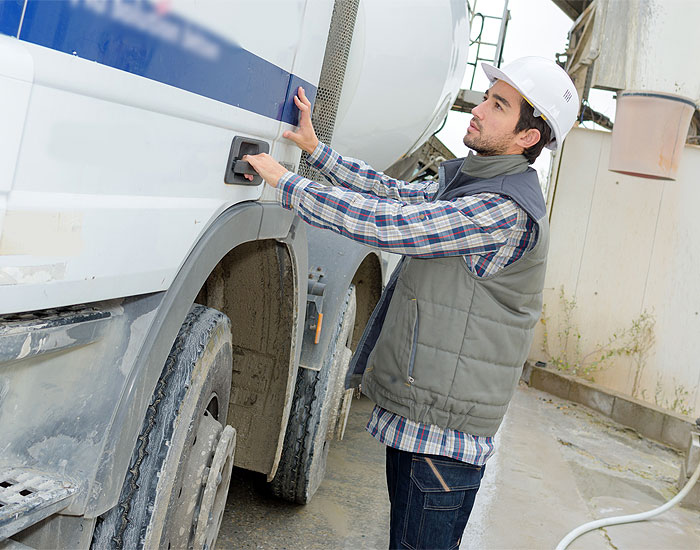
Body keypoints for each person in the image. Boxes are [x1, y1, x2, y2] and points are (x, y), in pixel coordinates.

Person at [245, 56, 579, 550]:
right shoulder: (476, 181)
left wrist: (288, 184)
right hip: (426, 423)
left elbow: (393, 225)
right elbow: (397, 195)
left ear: (527, 137)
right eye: (488, 97)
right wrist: (317, 152)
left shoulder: (502, 209)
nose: (479, 108)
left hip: (446, 440)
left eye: (498, 105)